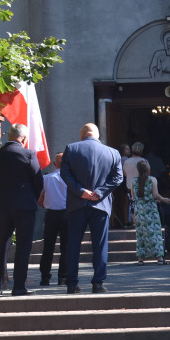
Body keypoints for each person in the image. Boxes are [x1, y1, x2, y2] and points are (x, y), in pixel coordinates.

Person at [60, 123, 124, 294]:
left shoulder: (71, 149)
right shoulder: (113, 152)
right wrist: (99, 192)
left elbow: (64, 174)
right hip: (100, 204)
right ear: (97, 135)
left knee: (73, 244)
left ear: (82, 135)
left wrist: (81, 191)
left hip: (76, 204)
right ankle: (98, 283)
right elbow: (118, 178)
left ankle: (72, 284)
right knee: (100, 245)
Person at [0, 123, 43, 296]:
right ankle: (19, 287)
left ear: (9, 136)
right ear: (24, 139)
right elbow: (38, 181)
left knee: (1, 245)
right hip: (25, 205)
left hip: (3, 204)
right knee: (23, 246)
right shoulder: (28, 154)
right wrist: (31, 197)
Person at [131, 159, 170, 264]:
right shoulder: (152, 179)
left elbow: (133, 196)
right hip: (150, 209)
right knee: (155, 232)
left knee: (141, 233)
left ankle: (141, 258)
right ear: (148, 169)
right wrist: (164, 199)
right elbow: (155, 194)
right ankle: (159, 258)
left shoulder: (133, 181)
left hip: (139, 209)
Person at [37, 152, 68, 286]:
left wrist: (46, 205)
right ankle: (63, 277)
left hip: (51, 215)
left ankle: (45, 277)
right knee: (66, 248)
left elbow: (39, 200)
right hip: (67, 215)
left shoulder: (47, 178)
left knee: (48, 247)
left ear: (55, 164)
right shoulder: (71, 179)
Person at [122, 142, 145, 227]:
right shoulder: (143, 161)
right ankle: (141, 221)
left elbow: (124, 173)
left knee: (132, 204)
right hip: (141, 185)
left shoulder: (127, 161)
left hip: (130, 185)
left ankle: (134, 221)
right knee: (141, 203)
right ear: (141, 151)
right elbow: (148, 172)